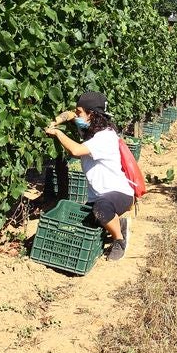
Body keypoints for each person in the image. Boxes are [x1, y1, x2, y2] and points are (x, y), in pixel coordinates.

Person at [45, 91, 135, 261]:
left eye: (80, 112)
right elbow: (71, 114)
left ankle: (119, 240)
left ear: (91, 114)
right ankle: (118, 223)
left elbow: (76, 150)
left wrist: (57, 133)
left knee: (101, 210)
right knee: (87, 221)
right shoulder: (90, 130)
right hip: (99, 196)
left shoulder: (105, 137)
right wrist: (56, 121)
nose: (77, 115)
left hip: (119, 193)